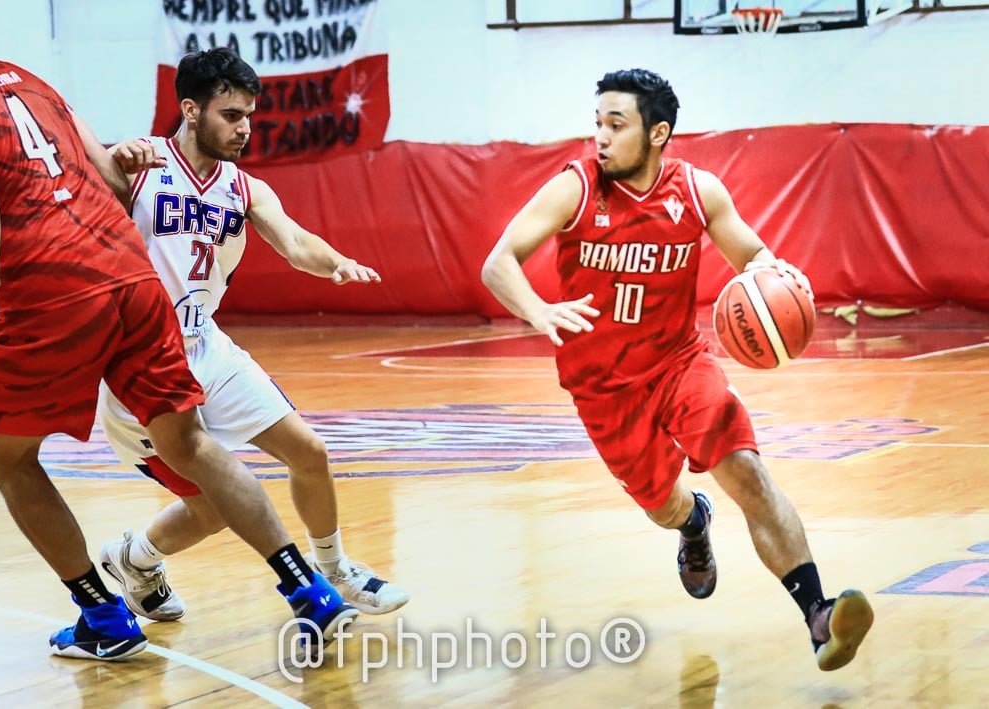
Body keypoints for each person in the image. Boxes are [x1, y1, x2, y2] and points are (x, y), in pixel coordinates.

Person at [0, 2, 356, 662]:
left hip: (51, 282)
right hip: (130, 271)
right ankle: (309, 590)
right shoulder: (22, 76)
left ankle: (103, 615)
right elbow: (112, 178)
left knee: (5, 456)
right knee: (189, 443)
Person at [481, 69, 873, 672]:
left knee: (746, 472)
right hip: (602, 386)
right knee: (662, 506)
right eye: (597, 124)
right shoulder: (575, 188)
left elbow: (753, 254)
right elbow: (499, 262)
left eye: (617, 125)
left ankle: (819, 617)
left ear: (658, 133)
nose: (601, 138)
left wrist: (775, 274)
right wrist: (538, 309)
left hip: (679, 363)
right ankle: (693, 521)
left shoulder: (697, 191)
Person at [95, 47, 409, 620]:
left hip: (206, 347)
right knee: (215, 507)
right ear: (191, 110)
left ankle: (335, 570)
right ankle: (135, 560)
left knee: (309, 452)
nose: (244, 129)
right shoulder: (141, 165)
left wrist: (336, 262)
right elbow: (74, 195)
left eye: (248, 116)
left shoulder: (244, 188)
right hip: (140, 365)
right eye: (231, 115)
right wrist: (109, 160)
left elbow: (295, 243)